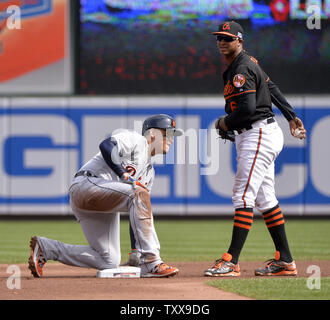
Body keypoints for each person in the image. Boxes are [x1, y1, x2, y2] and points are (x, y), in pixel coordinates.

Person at [205, 21, 307, 277]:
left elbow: (248, 109)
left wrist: (224, 122)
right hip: (257, 132)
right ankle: (285, 260)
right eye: (219, 38)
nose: (221, 42)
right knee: (264, 198)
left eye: (227, 38)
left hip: (257, 133)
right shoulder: (248, 62)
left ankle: (231, 261)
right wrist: (290, 115)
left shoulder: (242, 67)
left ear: (239, 40)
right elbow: (270, 87)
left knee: (242, 195)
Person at [28, 114, 183, 278]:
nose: (171, 139)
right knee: (139, 194)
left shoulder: (149, 172)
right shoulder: (137, 140)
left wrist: (135, 251)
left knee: (108, 260)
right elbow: (107, 145)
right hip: (87, 185)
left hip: (104, 203)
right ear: (152, 133)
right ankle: (152, 262)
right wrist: (123, 174)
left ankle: (47, 248)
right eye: (167, 133)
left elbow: (139, 214)